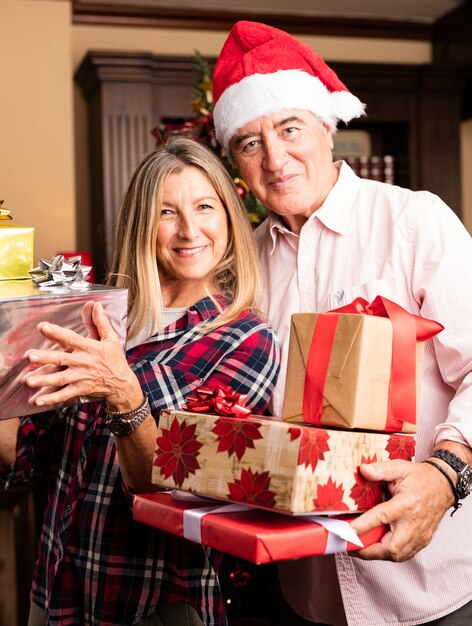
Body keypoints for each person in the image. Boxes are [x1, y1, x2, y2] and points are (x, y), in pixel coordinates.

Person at [211, 20, 472, 626]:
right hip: (302, 593)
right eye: (249, 143)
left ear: (328, 126)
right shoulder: (240, 267)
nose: (275, 158)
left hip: (431, 587)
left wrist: (446, 474)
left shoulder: (414, 221)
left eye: (290, 128)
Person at [0, 137, 280, 626]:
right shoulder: (92, 318)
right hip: (55, 593)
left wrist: (122, 389)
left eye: (205, 207)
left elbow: (182, 487)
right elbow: (24, 454)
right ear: (140, 224)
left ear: (229, 220)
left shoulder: (246, 340)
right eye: (167, 212)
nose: (190, 229)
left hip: (158, 605)